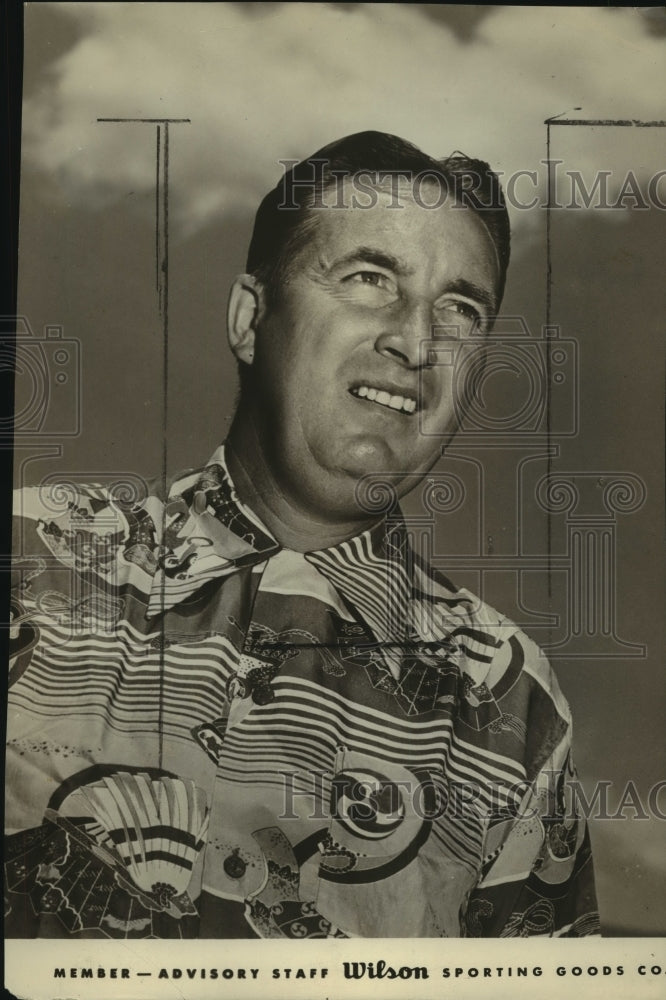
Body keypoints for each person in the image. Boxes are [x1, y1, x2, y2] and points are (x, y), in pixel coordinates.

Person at [6, 131, 599, 939]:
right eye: (368, 278)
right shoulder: (25, 560)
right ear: (251, 319)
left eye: (460, 309)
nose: (417, 342)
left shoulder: (510, 705)